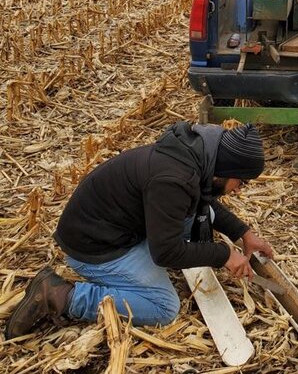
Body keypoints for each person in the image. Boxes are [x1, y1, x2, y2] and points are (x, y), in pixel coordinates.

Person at [5, 122, 273, 339]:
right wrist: (223, 254)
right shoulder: (173, 180)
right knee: (164, 308)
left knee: (193, 215)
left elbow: (204, 201)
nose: (240, 189)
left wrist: (243, 233)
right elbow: (165, 253)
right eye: (241, 181)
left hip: (109, 228)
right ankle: (61, 297)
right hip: (95, 248)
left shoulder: (192, 159)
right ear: (224, 169)